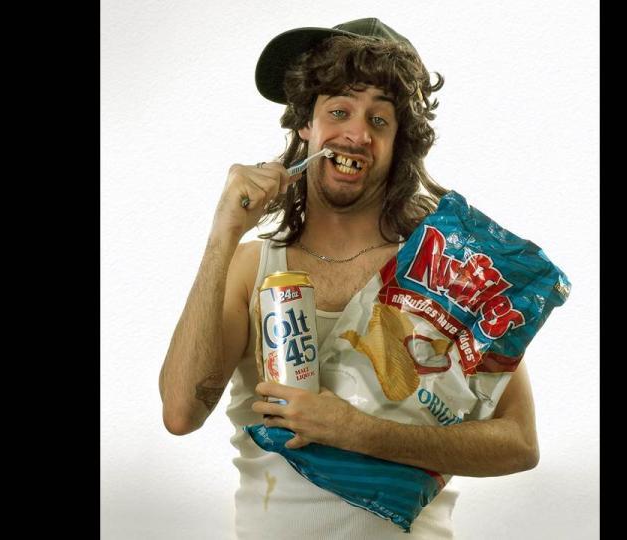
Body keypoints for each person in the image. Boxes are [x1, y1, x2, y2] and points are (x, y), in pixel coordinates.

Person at [159, 17, 539, 539]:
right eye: (339, 111)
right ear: (306, 125)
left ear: (399, 142)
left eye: (379, 119)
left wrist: (359, 432)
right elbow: (181, 414)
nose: (358, 135)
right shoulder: (252, 267)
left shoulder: (443, 273)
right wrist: (222, 234)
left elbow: (519, 443)